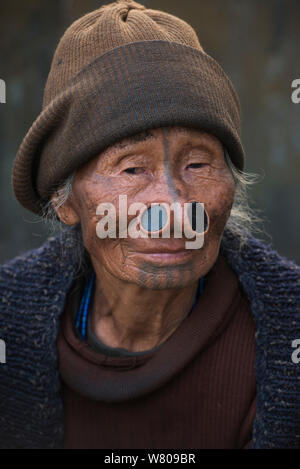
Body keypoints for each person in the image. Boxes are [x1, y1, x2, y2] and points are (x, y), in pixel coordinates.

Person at [1, 0, 299, 449]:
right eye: (131, 169)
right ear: (65, 200)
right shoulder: (8, 323)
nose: (174, 208)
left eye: (198, 164)